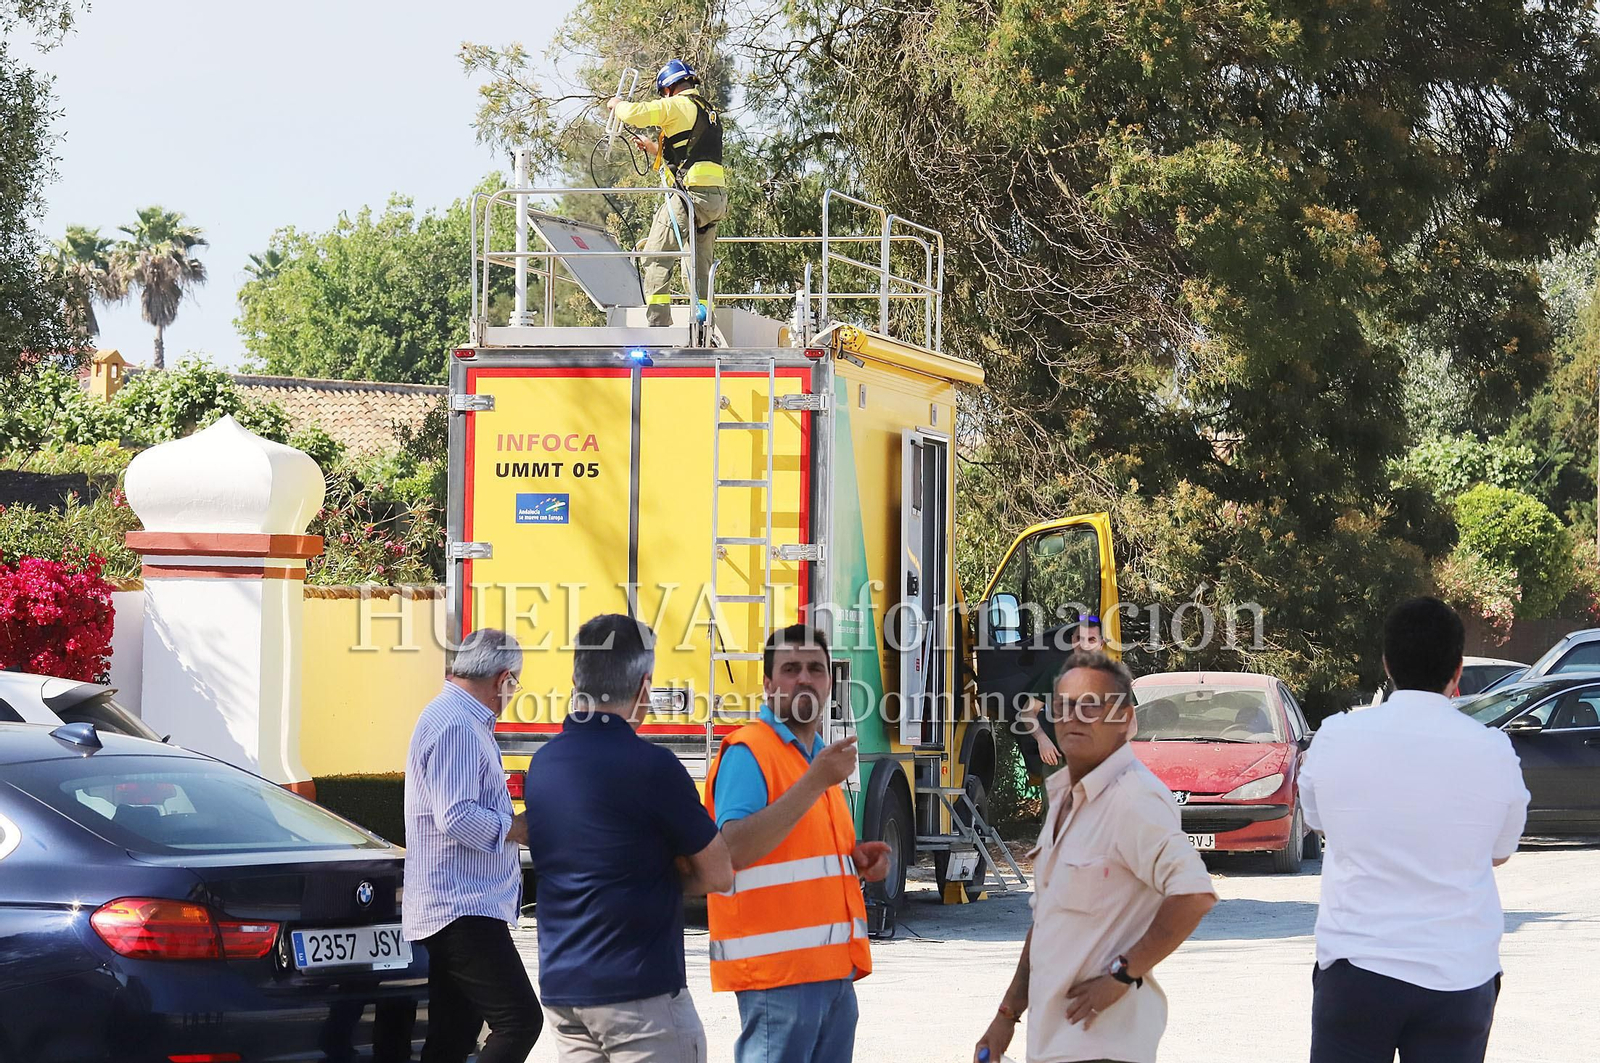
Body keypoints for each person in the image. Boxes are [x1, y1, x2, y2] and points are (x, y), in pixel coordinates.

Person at [1300, 597, 1529, 1063]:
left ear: (1387, 663)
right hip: (1459, 974)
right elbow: (1500, 852)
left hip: (1357, 970)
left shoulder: (1335, 737)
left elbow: (1317, 822)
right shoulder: (1494, 750)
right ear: (1458, 669)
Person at [975, 649, 1216, 1063]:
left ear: (1124, 718)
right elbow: (1048, 920)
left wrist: (1125, 973)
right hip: (1054, 1043)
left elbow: (1194, 895)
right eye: (1064, 706)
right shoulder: (1067, 797)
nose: (1073, 717)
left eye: (1091, 706)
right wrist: (1006, 1015)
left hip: (1106, 1045)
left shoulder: (1134, 797)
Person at [523, 613, 735, 1062]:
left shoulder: (543, 764)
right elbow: (717, 873)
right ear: (644, 689)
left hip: (564, 990)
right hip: (639, 994)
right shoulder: (654, 767)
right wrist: (658, 873)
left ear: (577, 679)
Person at [705, 623, 891, 1063]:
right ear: (768, 684)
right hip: (777, 979)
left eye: (815, 669)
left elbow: (797, 852)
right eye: (790, 669)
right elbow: (732, 850)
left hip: (831, 975)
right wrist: (814, 782)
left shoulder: (818, 756)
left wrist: (855, 858)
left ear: (829, 681)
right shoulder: (750, 752)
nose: (804, 678)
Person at [402, 628, 542, 1063]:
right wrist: (514, 828)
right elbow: (457, 816)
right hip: (461, 905)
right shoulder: (457, 725)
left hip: (457, 903)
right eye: (513, 685)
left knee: (452, 1037)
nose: (511, 695)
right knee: (519, 1020)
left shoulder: (456, 718)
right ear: (502, 679)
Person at [608, 58, 726, 326]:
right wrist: (653, 148)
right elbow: (692, 153)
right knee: (699, 266)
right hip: (713, 200)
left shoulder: (676, 105)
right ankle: (704, 324)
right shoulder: (707, 111)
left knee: (656, 257)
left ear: (669, 88)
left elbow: (635, 114)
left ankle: (659, 325)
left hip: (690, 198)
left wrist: (617, 106)